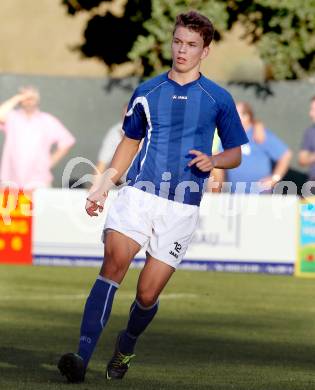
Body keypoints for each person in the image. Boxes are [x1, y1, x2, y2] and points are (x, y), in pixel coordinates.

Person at [58, 11, 248, 383]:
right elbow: (130, 142)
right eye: (178, 41)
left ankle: (126, 344)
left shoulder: (218, 99)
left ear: (205, 51)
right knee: (113, 264)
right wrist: (102, 185)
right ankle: (80, 357)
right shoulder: (147, 91)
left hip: (181, 208)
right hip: (139, 195)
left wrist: (214, 160)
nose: (182, 50)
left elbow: (236, 153)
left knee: (146, 295)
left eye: (191, 45)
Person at [0, 86, 75, 189]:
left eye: (32, 97)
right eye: (26, 97)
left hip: (38, 182)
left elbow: (68, 141)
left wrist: (49, 163)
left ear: (38, 100)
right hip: (11, 181)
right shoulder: (12, 117)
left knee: (39, 206)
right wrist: (17, 98)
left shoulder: (47, 120)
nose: (29, 101)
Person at [211, 101, 292, 194]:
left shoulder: (259, 134)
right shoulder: (226, 135)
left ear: (246, 117)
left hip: (261, 197)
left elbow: (286, 154)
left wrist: (275, 178)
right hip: (234, 195)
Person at [298, 96, 315, 181]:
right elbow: (302, 160)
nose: (310, 114)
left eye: (314, 110)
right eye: (311, 110)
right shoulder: (310, 132)